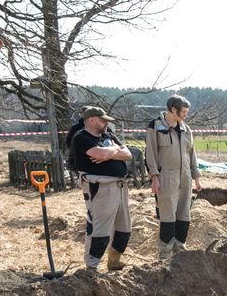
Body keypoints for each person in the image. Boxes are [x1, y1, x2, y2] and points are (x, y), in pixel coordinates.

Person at [72, 106, 134, 271]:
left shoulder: (108, 135)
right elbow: (102, 155)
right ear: (92, 120)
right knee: (100, 229)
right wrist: (113, 150)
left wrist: (108, 152)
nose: (106, 123)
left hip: (120, 186)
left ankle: (114, 261)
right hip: (99, 188)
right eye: (103, 120)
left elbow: (128, 154)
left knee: (124, 228)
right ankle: (91, 267)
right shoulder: (81, 138)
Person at [145, 94, 202, 260]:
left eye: (186, 111)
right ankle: (164, 254)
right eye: (183, 111)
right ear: (172, 109)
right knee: (168, 215)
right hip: (166, 176)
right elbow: (151, 153)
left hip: (185, 176)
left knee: (184, 213)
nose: (185, 114)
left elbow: (192, 153)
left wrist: (196, 176)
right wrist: (154, 176)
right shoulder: (155, 126)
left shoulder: (186, 128)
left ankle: (179, 250)